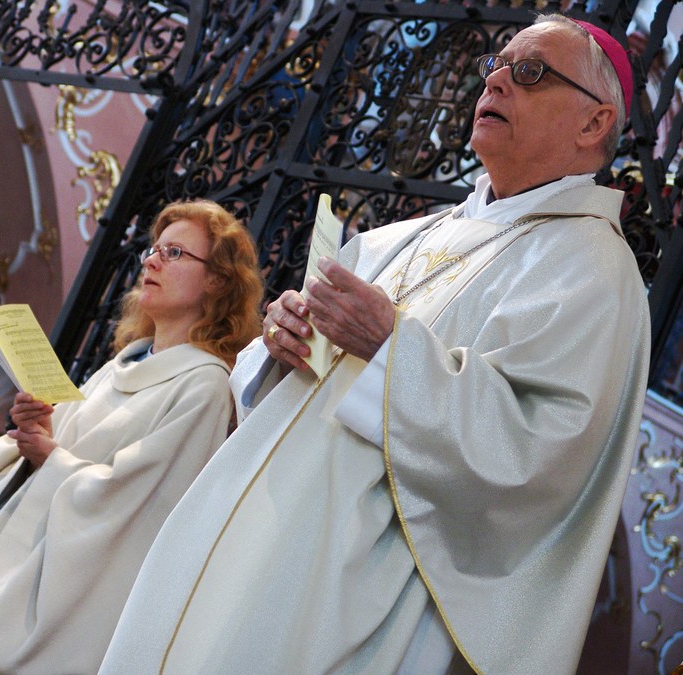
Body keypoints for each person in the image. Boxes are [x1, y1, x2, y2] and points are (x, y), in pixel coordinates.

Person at [99, 15, 650, 675]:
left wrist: (393, 349)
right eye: (495, 65)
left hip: (352, 587)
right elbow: (280, 392)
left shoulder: (592, 269)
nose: (497, 80)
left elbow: (539, 455)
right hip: (256, 540)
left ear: (594, 124)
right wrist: (278, 343)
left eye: (529, 71)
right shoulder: (398, 239)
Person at [0, 200, 263, 674]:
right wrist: (29, 436)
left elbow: (141, 508)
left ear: (217, 280)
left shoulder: (204, 385)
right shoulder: (119, 366)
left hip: (54, 606)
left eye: (175, 254)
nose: (151, 261)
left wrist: (52, 458)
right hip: (1, 571)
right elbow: (54, 455)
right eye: (154, 250)